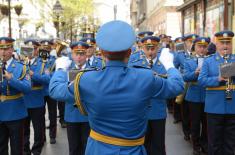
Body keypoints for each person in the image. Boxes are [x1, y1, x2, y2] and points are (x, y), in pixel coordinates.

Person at [49, 20, 184, 155]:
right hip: (133, 150)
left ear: (101, 52)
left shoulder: (86, 79)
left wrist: (60, 69)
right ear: (129, 52)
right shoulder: (146, 77)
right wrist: (169, 66)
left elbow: (56, 90)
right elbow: (177, 86)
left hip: (98, 150)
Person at [128, 35, 170, 155]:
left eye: (153, 48)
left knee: (158, 145)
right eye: (147, 48)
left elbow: (169, 86)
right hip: (141, 111)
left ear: (158, 48)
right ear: (142, 48)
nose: (150, 51)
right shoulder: (135, 64)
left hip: (158, 110)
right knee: (142, 144)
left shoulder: (165, 64)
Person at [198, 30, 235, 155]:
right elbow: (201, 80)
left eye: (228, 43)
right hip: (214, 107)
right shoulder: (209, 61)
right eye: (222, 43)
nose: (225, 46)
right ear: (217, 44)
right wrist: (217, 79)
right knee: (214, 142)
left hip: (232, 106)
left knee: (231, 142)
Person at [0, 37, 31, 155]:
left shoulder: (21, 66)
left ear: (12, 49)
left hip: (15, 113)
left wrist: (11, 79)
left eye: (6, 48)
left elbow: (27, 88)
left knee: (17, 148)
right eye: (0, 49)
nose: (3, 52)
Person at [23, 39, 51, 155]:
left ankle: (36, 150)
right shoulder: (20, 62)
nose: (31, 51)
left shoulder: (43, 63)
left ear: (37, 50)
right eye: (28, 49)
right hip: (23, 100)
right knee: (24, 129)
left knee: (38, 128)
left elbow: (47, 79)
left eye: (33, 48)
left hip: (36, 99)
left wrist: (33, 74)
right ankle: (25, 150)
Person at [183, 37, 209, 154]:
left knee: (206, 122)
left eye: (204, 47)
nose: (202, 49)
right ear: (195, 47)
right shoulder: (188, 61)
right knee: (195, 122)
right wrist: (195, 73)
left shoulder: (210, 60)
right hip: (193, 96)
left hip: (207, 95)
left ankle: (204, 144)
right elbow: (185, 77)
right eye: (200, 46)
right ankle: (196, 145)